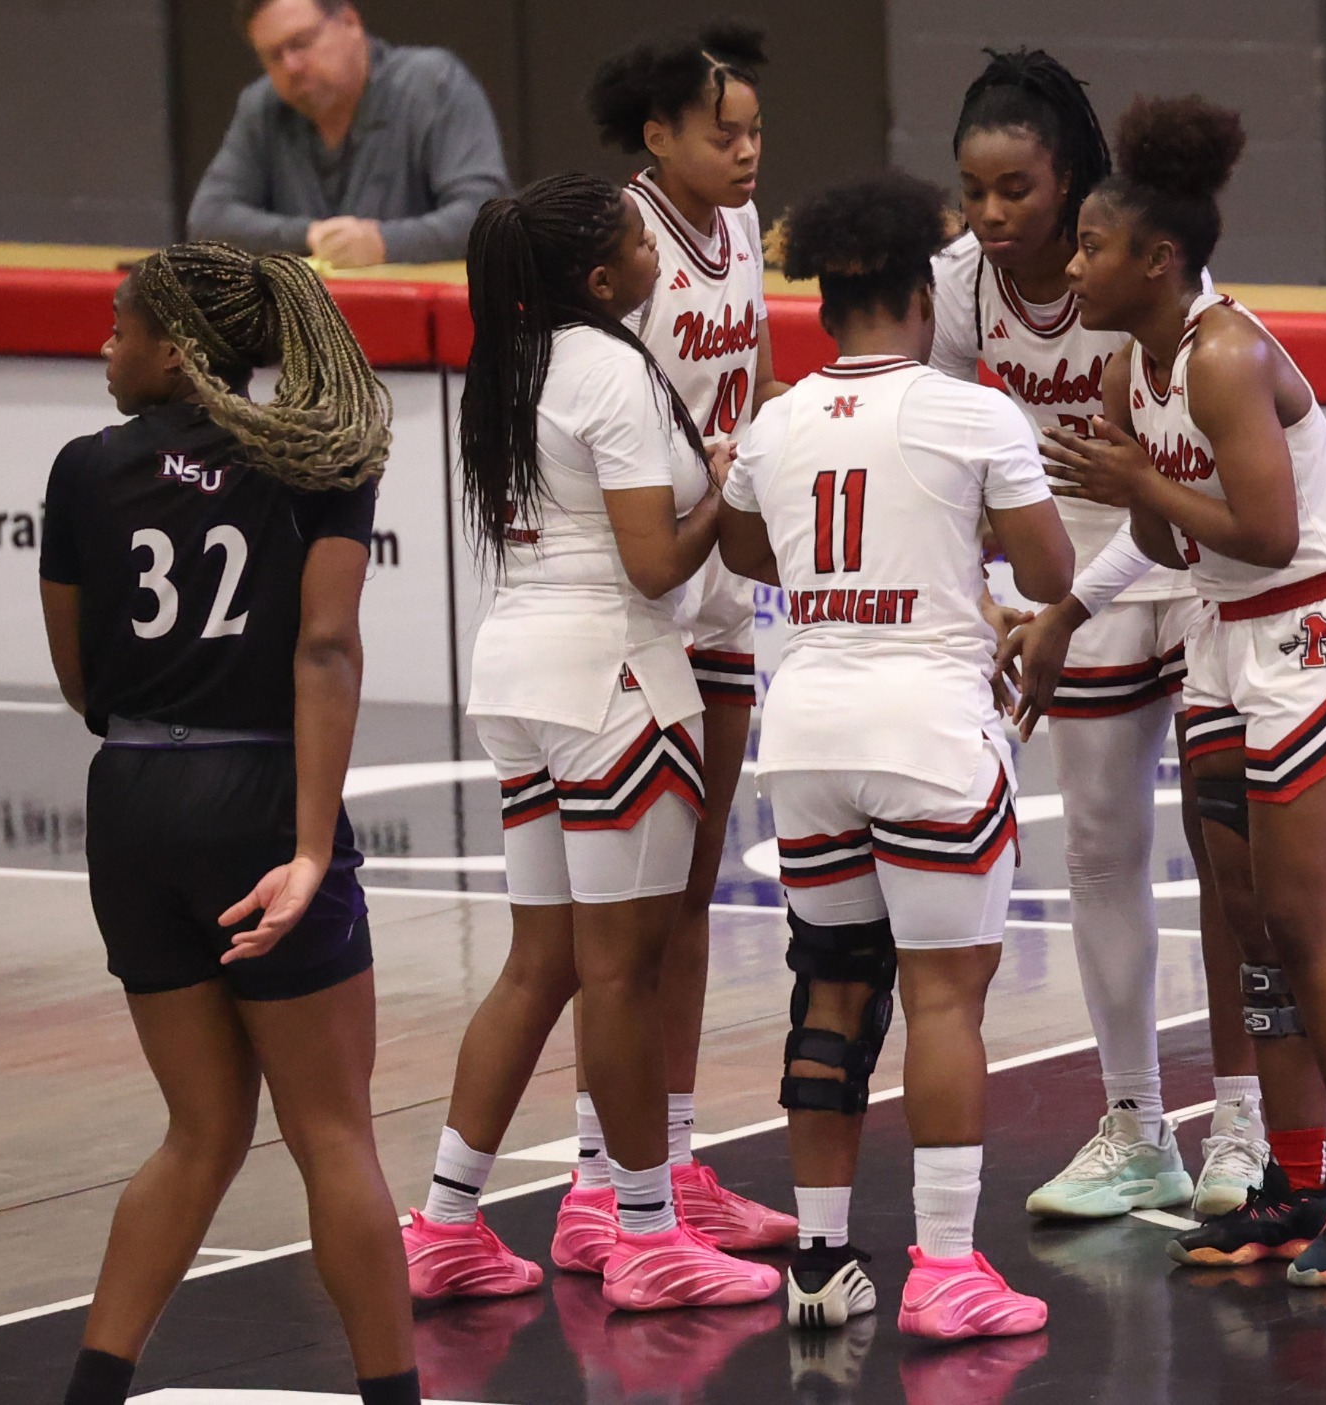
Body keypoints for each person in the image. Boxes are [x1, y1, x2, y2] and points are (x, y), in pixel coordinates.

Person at [1039, 95, 1326, 1287]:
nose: (1071, 264)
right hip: (1226, 643)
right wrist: (1067, 611)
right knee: (1253, 927)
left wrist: (1139, 488)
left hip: (1317, 635)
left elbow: (1266, 534)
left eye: (1089, 247)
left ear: (1156, 260)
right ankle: (1298, 1179)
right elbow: (1172, 550)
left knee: (1305, 923)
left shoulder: (1222, 356)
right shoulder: (1133, 368)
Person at [37, 241, 420, 1405]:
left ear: (177, 346)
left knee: (198, 1130)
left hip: (133, 798)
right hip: (257, 795)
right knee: (333, 1135)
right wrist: (308, 849)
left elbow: (79, 679)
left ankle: (92, 1389)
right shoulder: (322, 462)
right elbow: (325, 645)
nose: (106, 345)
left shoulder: (82, 469)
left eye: (121, 325)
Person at [403, 172, 778, 1313]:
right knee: (624, 970)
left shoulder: (508, 364)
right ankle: (649, 1231)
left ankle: (447, 1221)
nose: (655, 249)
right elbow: (656, 565)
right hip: (612, 683)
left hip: (518, 677)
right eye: (633, 239)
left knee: (542, 964)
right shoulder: (610, 368)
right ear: (602, 277)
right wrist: (724, 478)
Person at [713, 168, 1073, 1340]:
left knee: (830, 988)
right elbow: (1053, 576)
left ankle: (819, 1264)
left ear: (822, 305)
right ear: (923, 294)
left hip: (808, 726)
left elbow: (749, 553)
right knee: (942, 1001)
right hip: (928, 725)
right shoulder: (972, 412)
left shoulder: (775, 421)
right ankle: (950, 1268)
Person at [935, 47, 1270, 1222]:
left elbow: (1218, 467)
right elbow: (926, 448)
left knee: (1231, 858)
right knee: (1097, 849)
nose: (988, 215)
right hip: (1069, 566)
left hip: (1187, 549)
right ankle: (1136, 1121)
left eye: (1014, 191)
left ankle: (1244, 1120)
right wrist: (981, 599)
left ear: (1070, 176)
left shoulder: (1144, 268)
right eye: (972, 191)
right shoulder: (958, 285)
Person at [552, 19, 793, 1251]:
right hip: (633, 586)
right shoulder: (619, 249)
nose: (749, 152)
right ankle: (602, 1178)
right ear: (658, 138)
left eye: (755, 130)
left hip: (714, 580)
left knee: (696, 890)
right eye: (723, 133)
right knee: (625, 926)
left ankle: (678, 1159)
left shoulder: (746, 227)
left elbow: (742, 385)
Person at [189, 0, 513, 268]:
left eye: (301, 43)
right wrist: (310, 235)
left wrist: (384, 244)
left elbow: (486, 216)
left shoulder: (434, 85)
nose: (291, 67)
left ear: (350, 22)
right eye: (273, 56)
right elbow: (208, 218)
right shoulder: (261, 106)